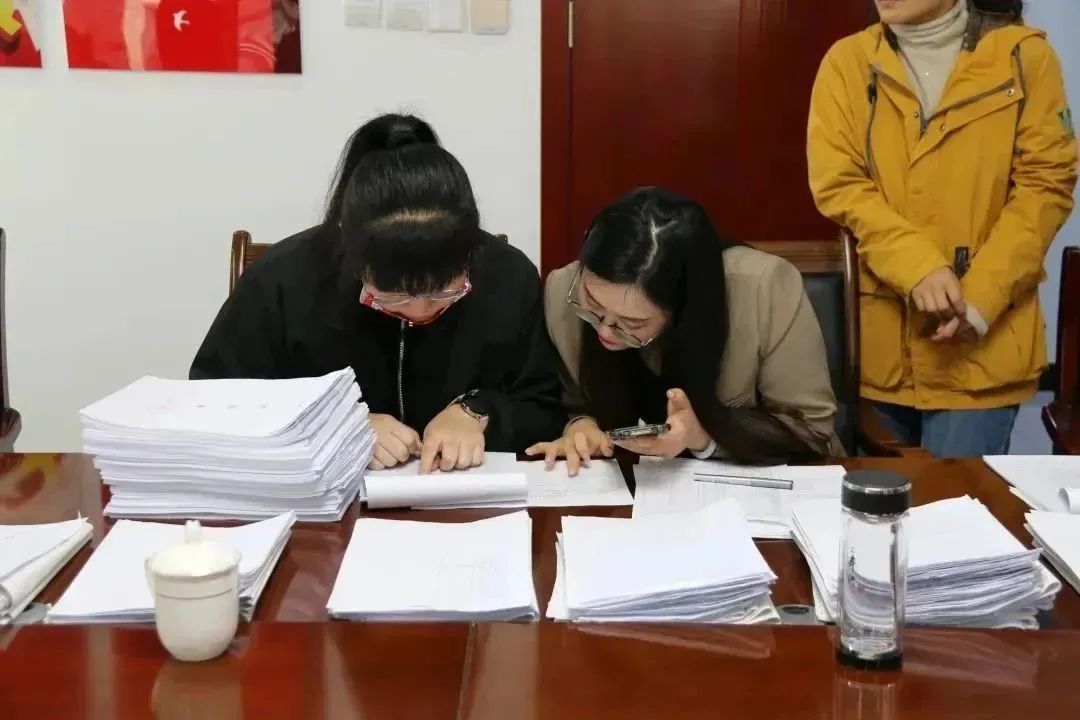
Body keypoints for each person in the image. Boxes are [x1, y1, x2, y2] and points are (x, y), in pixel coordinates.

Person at [191, 114, 566, 472]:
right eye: (393, 297)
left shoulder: (507, 275)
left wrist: (477, 412)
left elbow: (545, 406)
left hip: (465, 498)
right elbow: (216, 401)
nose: (420, 311)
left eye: (443, 292)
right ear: (350, 246)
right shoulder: (282, 279)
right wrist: (337, 424)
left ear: (470, 249)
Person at [808, 0, 1077, 458]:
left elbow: (1045, 188)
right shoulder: (847, 62)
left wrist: (981, 297)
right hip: (882, 350)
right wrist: (917, 267)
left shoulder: (1026, 57)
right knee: (881, 502)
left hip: (983, 349)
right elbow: (840, 185)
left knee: (957, 502)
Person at [527, 187, 842, 475]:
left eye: (632, 323)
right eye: (593, 303)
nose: (606, 330)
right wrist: (580, 425)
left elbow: (810, 429)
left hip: (749, 489)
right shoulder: (561, 290)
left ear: (682, 306)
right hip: (618, 491)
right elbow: (567, 400)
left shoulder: (763, 289)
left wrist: (703, 436)